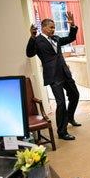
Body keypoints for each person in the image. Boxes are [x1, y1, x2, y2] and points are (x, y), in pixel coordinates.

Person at [26, 12, 81, 141]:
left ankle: (70, 117)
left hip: (64, 72)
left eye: (54, 27)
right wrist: (32, 37)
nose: (53, 29)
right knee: (61, 102)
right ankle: (62, 132)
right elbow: (29, 53)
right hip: (53, 76)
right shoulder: (38, 41)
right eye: (51, 27)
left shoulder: (56, 38)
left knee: (75, 94)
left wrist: (72, 26)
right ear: (44, 27)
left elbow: (70, 38)